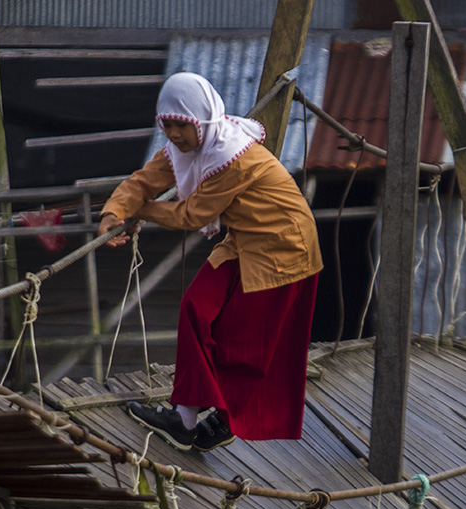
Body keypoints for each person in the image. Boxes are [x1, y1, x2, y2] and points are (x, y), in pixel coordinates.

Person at [98, 72, 323, 452]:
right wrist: (113, 212)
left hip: (285, 247)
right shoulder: (185, 149)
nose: (172, 134)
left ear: (201, 120)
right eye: (165, 124)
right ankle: (186, 420)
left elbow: (191, 217)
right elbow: (142, 181)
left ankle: (217, 417)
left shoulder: (231, 156)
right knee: (196, 307)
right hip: (245, 240)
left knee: (241, 340)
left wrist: (140, 213)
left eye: (180, 125)